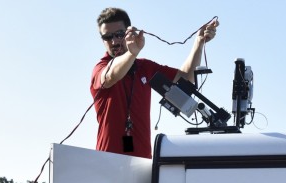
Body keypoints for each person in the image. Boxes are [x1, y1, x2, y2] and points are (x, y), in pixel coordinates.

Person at [91, 7, 218, 158]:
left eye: (119, 35)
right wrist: (132, 53)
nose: (114, 41)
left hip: (142, 162)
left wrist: (199, 42)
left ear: (128, 34)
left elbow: (185, 78)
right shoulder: (101, 67)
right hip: (107, 161)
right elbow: (111, 76)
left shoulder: (145, 67)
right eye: (107, 37)